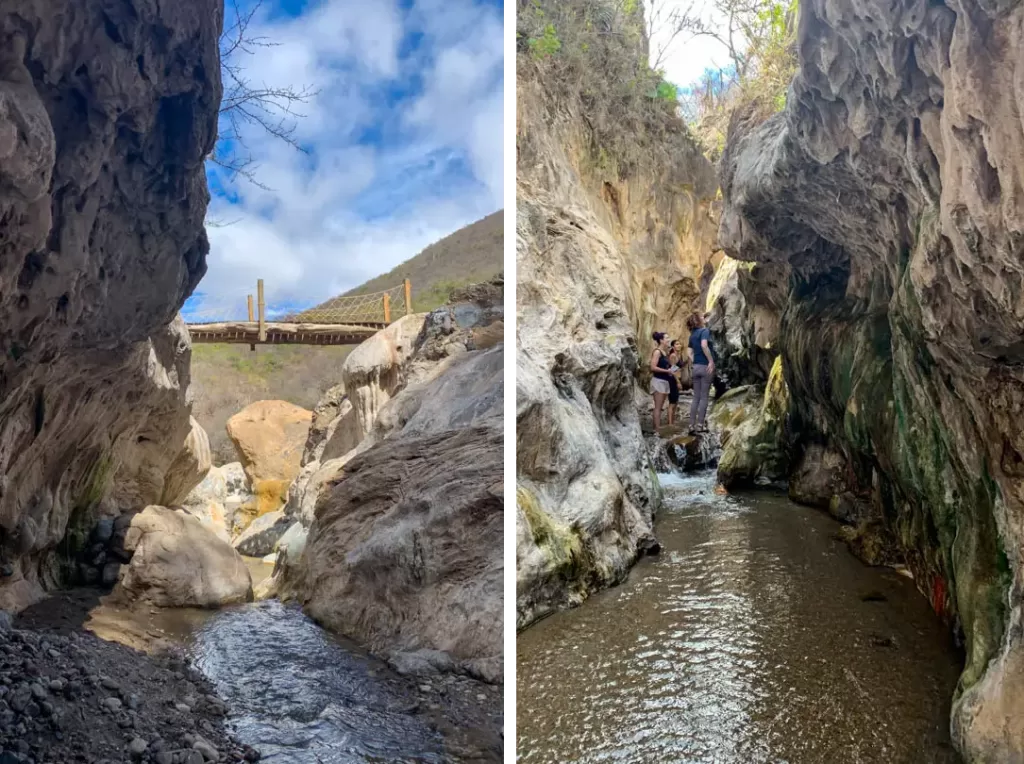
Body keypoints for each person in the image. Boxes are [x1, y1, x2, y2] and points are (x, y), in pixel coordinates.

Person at [686, 312, 715, 433]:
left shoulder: (692, 335)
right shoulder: (704, 331)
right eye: (702, 317)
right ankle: (700, 425)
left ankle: (691, 426)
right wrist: (710, 361)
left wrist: (695, 361)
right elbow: (704, 346)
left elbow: (689, 352)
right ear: (698, 320)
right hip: (705, 367)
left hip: (696, 367)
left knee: (696, 397)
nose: (704, 319)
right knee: (704, 397)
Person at [649, 331, 673, 430]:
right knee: (658, 407)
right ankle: (656, 429)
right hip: (658, 381)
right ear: (661, 340)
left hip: (664, 381)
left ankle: (657, 427)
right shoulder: (657, 352)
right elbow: (653, 367)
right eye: (667, 338)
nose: (669, 340)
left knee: (661, 406)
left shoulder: (664, 352)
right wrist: (666, 371)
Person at [666, 340, 682, 425]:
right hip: (672, 380)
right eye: (677, 344)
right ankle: (670, 423)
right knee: (672, 402)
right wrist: (678, 382)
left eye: (679, 344)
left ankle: (672, 421)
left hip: (676, 379)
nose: (679, 345)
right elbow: (672, 370)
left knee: (675, 401)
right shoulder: (673, 356)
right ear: (673, 347)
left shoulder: (679, 355)